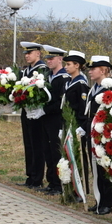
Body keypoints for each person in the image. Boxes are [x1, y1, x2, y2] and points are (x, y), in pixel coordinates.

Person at [78, 55, 112, 214]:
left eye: (93, 69)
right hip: (91, 133)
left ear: (103, 70)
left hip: (103, 135)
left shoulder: (110, 89)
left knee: (104, 168)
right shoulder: (94, 88)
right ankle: (99, 199)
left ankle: (107, 202)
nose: (90, 72)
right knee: (96, 169)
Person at [18, 42, 49, 189]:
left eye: (30, 53)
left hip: (38, 113)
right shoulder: (26, 71)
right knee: (28, 144)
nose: (27, 56)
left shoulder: (42, 69)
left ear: (38, 53)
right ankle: (30, 176)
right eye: (25, 53)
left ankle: (38, 178)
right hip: (26, 111)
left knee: (37, 145)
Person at [40, 45, 69, 196]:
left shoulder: (63, 77)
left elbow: (61, 103)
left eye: (52, 58)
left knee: (56, 151)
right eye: (47, 59)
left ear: (60, 59)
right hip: (46, 119)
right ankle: (51, 181)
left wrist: (44, 109)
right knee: (48, 150)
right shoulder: (48, 76)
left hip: (57, 119)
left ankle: (58, 183)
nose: (49, 61)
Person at [62, 50, 89, 201]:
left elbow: (82, 108)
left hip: (76, 126)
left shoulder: (81, 84)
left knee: (77, 158)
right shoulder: (69, 82)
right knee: (68, 157)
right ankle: (70, 188)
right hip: (67, 123)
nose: (66, 67)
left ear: (77, 65)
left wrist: (80, 126)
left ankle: (80, 190)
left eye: (69, 64)